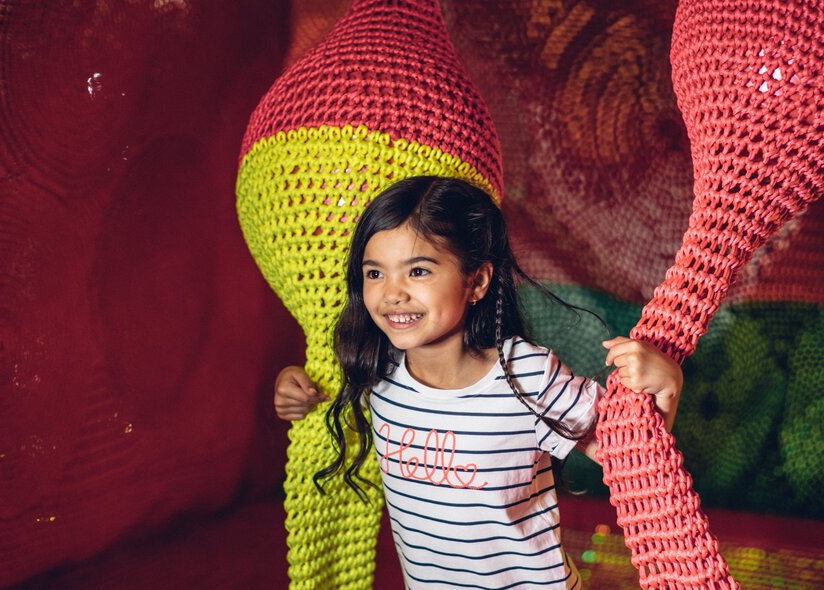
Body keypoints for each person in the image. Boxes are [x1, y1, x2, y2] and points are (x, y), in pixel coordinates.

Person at [273, 176, 683, 589]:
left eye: (418, 270)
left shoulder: (526, 375)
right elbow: (322, 395)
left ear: (477, 282)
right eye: (375, 272)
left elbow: (629, 456)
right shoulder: (379, 371)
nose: (392, 293)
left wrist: (668, 387)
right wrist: (295, 387)